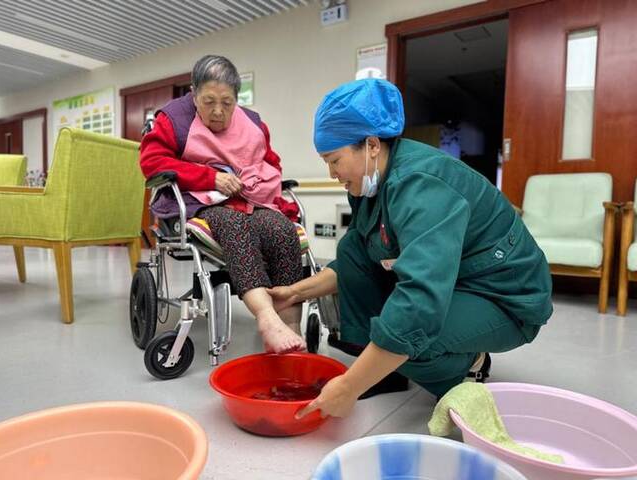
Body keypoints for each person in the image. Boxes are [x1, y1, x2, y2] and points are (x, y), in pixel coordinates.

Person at [268, 78, 553, 418]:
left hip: (503, 296)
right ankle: (384, 370)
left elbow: (420, 301)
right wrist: (296, 293)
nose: (331, 174)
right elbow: (355, 258)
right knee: (352, 249)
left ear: (372, 145)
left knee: (414, 335)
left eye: (334, 160)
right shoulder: (369, 185)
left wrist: (348, 388)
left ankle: (467, 366)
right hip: (456, 280)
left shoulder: (422, 184)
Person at [140, 55, 305, 353]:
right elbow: (152, 162)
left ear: (236, 99)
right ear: (193, 93)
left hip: (250, 200)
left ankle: (291, 326)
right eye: (209, 101)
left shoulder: (253, 123)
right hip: (199, 204)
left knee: (281, 229)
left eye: (227, 103)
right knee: (234, 224)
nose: (218, 111)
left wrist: (256, 178)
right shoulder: (174, 118)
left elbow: (271, 162)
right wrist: (210, 177)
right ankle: (266, 317)